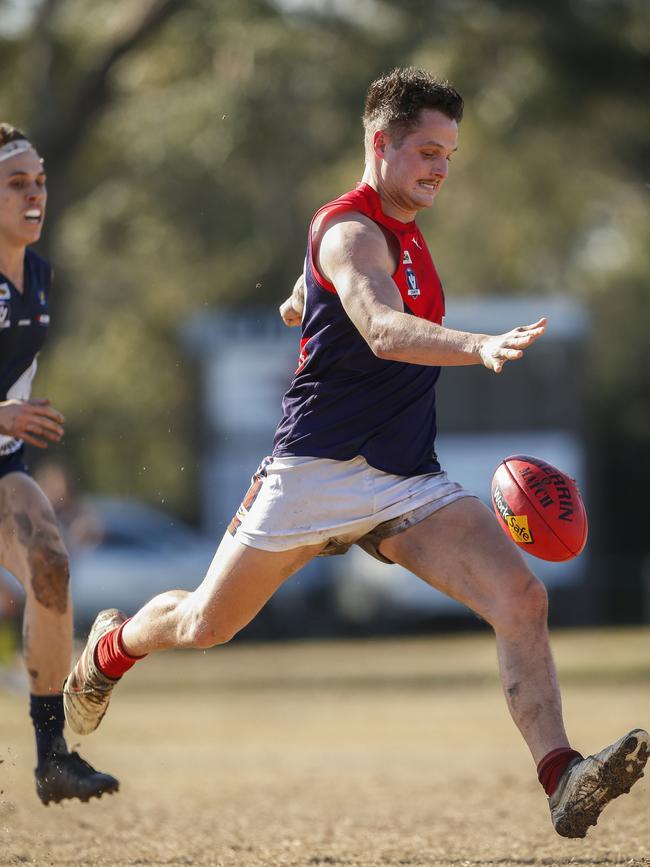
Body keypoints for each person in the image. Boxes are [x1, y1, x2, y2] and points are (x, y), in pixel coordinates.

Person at [63, 69, 647, 838]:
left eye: (450, 154)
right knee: (207, 623)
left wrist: (305, 299)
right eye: (427, 151)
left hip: (407, 481)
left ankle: (561, 775)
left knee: (522, 600)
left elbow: (343, 296)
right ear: (381, 143)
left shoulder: (398, 237)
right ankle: (110, 647)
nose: (441, 167)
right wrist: (478, 344)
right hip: (313, 472)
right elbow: (379, 325)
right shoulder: (350, 229)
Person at [0, 123, 119, 804]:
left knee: (51, 563)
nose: (34, 193)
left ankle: (52, 758)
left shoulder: (38, 275)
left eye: (39, 181)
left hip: (3, 468)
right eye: (17, 183)